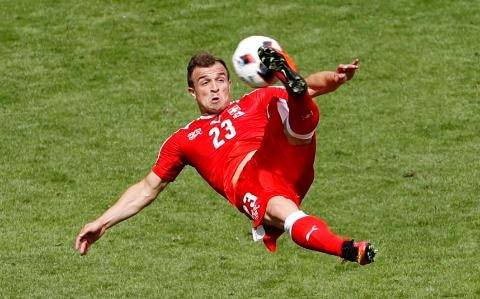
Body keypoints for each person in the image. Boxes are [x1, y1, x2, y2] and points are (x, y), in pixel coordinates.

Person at [75, 46, 375, 265]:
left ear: (230, 83)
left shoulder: (255, 100)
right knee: (287, 215)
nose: (215, 88)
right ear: (192, 92)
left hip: (281, 156)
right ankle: (349, 249)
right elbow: (146, 188)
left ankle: (290, 85)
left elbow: (314, 85)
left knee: (282, 101)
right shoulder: (183, 139)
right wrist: (102, 222)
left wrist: (337, 78)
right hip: (253, 184)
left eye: (220, 79)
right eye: (205, 83)